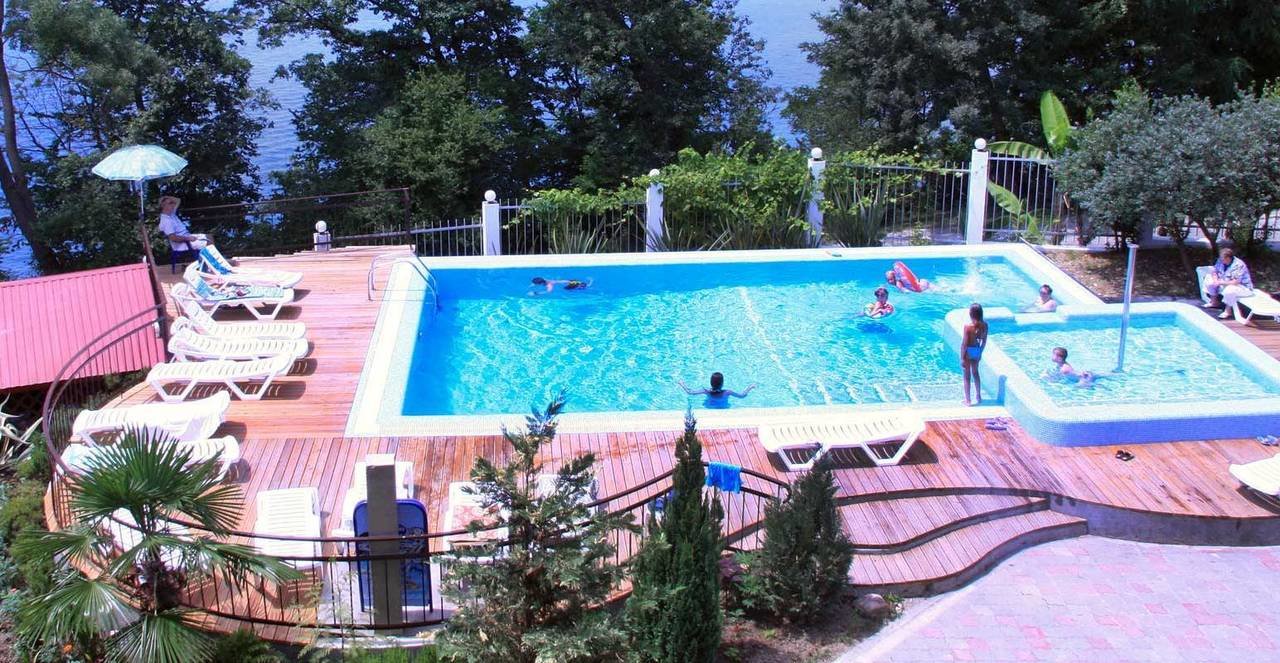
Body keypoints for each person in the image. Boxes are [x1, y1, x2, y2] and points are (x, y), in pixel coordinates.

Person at [1202, 248, 1254, 321]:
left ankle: (1228, 311)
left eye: (1223, 259)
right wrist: (1215, 280)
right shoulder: (1220, 260)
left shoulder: (1239, 264)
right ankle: (1214, 302)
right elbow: (1214, 271)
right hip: (1225, 282)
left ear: (1229, 258)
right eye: (1221, 259)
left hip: (1243, 287)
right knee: (1209, 279)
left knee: (1230, 289)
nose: (1221, 261)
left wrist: (1220, 282)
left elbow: (1236, 282)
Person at [679, 372, 755, 409]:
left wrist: (682, 384)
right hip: (724, 408)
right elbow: (742, 395)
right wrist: (750, 387)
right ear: (722, 383)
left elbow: (690, 392)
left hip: (709, 407)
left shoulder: (706, 391)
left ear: (711, 382)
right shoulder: (727, 392)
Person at [961, 303, 987, 406]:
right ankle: (978, 396)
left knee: (967, 376)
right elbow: (984, 341)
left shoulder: (968, 327)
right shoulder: (985, 325)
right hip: (976, 350)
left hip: (968, 351)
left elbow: (964, 343)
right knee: (976, 373)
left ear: (971, 314)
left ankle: (968, 400)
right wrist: (980, 352)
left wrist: (962, 357)